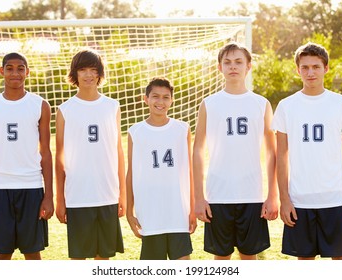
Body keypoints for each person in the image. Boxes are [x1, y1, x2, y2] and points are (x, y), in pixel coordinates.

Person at [272, 42, 342, 260]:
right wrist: (285, 198)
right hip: (300, 200)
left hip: (334, 199)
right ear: (298, 69)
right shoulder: (286, 106)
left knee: (341, 260)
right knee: (305, 262)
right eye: (305, 67)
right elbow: (280, 156)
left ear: (326, 68)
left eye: (316, 67)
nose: (310, 72)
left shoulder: (340, 103)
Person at [193, 42, 278, 260]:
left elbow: (272, 152)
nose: (233, 67)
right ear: (219, 68)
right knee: (221, 259)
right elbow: (198, 151)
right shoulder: (209, 104)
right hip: (218, 194)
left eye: (239, 62)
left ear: (248, 66)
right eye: (227, 62)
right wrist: (199, 197)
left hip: (252, 194)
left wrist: (272, 195)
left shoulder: (261, 104)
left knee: (249, 257)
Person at [0, 52, 54, 260]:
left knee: (32, 253)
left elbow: (46, 153)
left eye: (20, 68)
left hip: (31, 187)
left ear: (27, 72)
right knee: (2, 254)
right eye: (9, 68)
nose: (15, 73)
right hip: (1, 189)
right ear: (1, 72)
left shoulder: (40, 105)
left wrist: (48, 196)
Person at [55, 49, 125, 260]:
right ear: (74, 74)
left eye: (93, 70)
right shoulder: (65, 109)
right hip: (78, 195)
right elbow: (60, 157)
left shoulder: (112, 106)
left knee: (103, 257)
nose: (88, 75)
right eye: (82, 70)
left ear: (99, 73)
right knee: (79, 258)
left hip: (107, 193)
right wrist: (60, 198)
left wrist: (122, 193)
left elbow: (118, 152)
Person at [126, 77, 196, 260]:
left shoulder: (182, 129)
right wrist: (129, 211)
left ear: (172, 100)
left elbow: (189, 172)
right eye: (155, 96)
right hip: (150, 212)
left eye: (166, 97)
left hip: (177, 212)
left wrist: (192, 208)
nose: (160, 101)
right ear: (145, 99)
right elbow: (131, 174)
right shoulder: (136, 131)